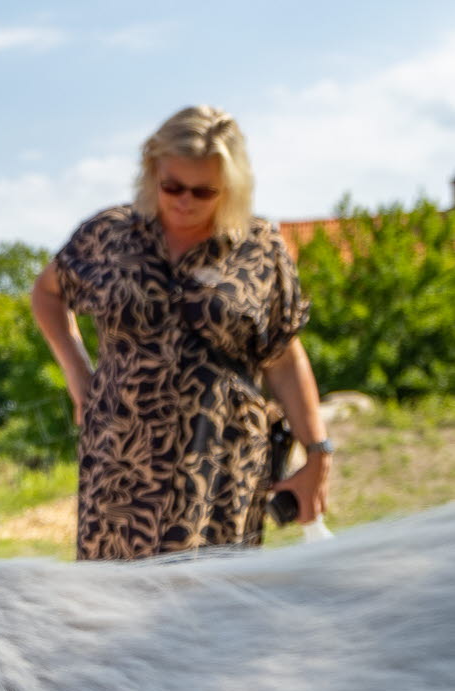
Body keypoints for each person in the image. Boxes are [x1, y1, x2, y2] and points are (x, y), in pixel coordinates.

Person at [31, 105, 331, 559]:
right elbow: (47, 293)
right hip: (119, 461)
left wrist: (317, 451)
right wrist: (79, 378)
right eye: (171, 185)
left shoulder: (261, 249)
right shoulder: (108, 235)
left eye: (203, 190)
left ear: (230, 188)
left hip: (220, 468)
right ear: (152, 170)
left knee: (211, 612)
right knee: (107, 610)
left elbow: (284, 356)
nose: (184, 200)